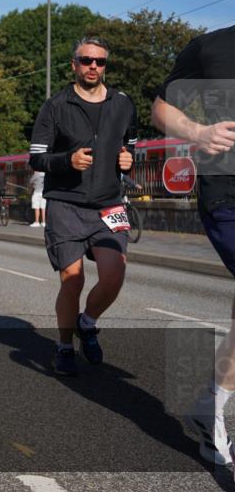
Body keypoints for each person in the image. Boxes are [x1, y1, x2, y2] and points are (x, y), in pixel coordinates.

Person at [151, 24, 235, 466]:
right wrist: (198, 133)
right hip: (227, 192)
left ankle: (211, 402)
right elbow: (161, 108)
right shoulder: (210, 46)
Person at [29, 37, 137, 377]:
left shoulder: (123, 103)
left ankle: (86, 323)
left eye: (99, 61)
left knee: (114, 275)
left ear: (105, 66)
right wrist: (67, 160)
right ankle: (64, 347)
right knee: (73, 280)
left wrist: (129, 160)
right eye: (86, 60)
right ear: (74, 64)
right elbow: (36, 158)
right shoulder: (55, 105)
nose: (93, 66)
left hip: (109, 204)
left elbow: (131, 145)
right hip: (66, 205)